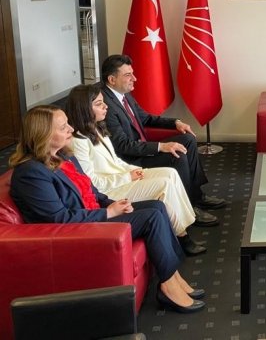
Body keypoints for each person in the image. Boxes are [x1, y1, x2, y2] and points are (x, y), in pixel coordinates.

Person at [9, 106, 206, 314]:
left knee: (157, 206)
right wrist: (108, 213)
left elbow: (93, 192)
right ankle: (168, 286)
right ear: (43, 134)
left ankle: (173, 276)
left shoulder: (64, 157)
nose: (71, 129)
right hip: (77, 230)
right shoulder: (30, 173)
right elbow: (59, 218)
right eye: (63, 127)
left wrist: (115, 203)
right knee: (151, 217)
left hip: (92, 214)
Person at [65, 83, 206, 256]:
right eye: (99, 104)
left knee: (171, 173)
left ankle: (184, 225)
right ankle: (183, 236)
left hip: (122, 176)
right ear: (84, 109)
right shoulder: (78, 141)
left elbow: (115, 161)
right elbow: (91, 183)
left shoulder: (96, 128)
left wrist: (137, 170)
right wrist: (127, 177)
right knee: (163, 184)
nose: (105, 106)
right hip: (111, 189)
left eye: (103, 102)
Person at [100, 54, 227, 228]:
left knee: (188, 139)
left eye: (133, 73)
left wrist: (175, 122)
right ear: (112, 79)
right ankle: (189, 208)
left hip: (141, 148)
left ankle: (196, 196)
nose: (134, 79)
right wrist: (161, 147)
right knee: (176, 155)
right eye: (128, 75)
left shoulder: (123, 95)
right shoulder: (106, 105)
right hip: (130, 160)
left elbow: (145, 118)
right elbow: (122, 146)